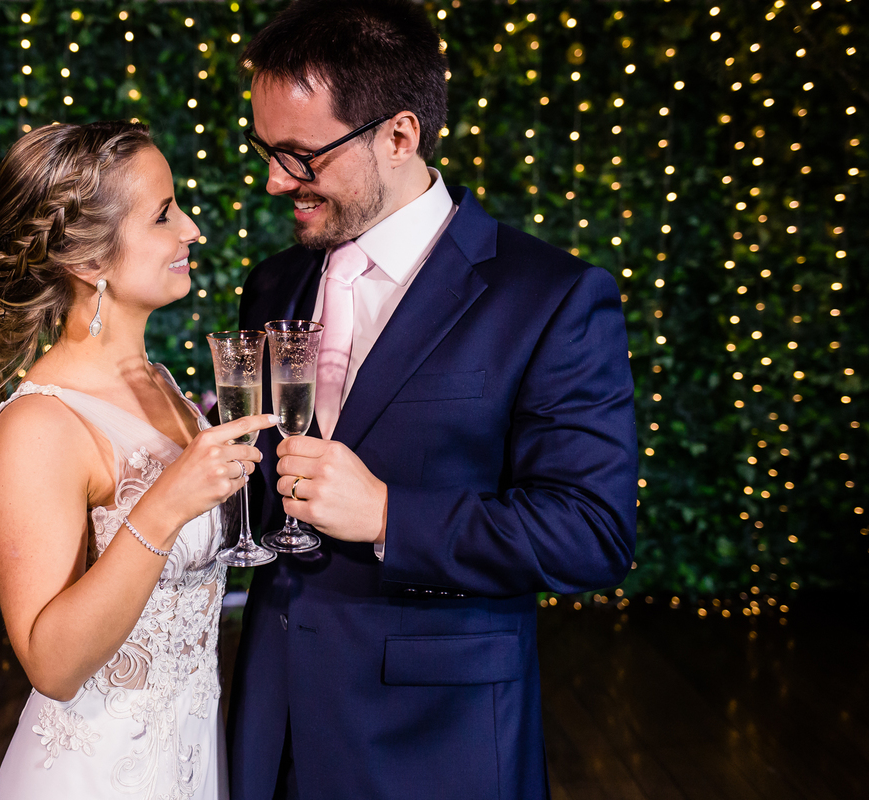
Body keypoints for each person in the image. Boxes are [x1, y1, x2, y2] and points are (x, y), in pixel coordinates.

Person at [227, 2, 639, 799]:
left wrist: (389, 515)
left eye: (298, 156)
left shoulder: (551, 296)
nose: (275, 180)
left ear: (400, 136)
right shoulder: (273, 284)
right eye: (265, 150)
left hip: (433, 740)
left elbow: (592, 532)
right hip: (271, 719)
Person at [0, 120, 274, 800]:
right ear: (88, 261)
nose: (191, 229)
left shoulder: (164, 382)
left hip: (193, 757)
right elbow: (51, 664)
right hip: (96, 776)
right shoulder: (39, 425)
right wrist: (166, 505)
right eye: (164, 214)